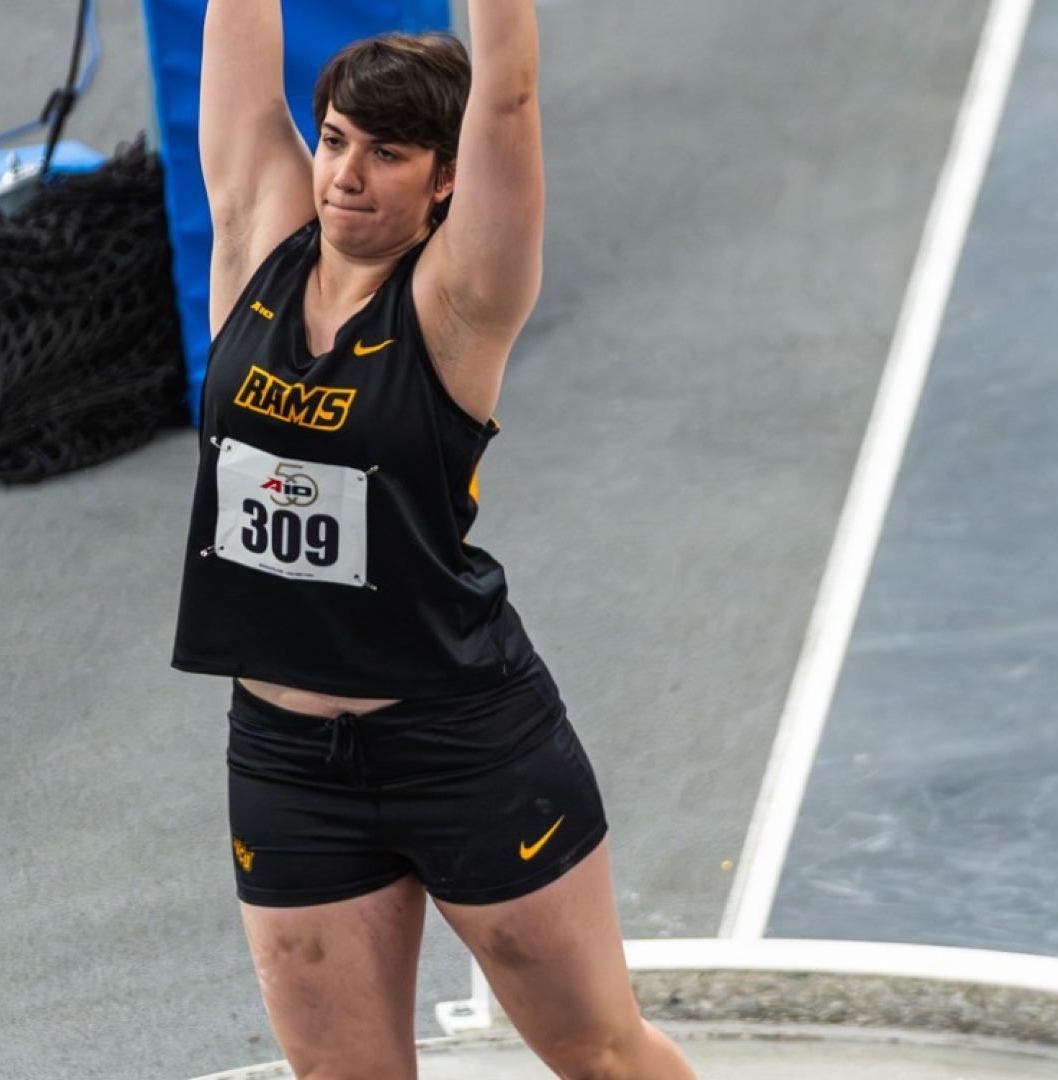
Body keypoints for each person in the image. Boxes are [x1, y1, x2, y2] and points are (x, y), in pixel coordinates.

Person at [171, 1, 698, 1077]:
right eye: (333, 142)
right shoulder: (261, 238)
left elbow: (505, 86)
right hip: (288, 760)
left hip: (464, 745)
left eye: (389, 154)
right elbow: (234, 66)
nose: (345, 176)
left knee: (597, 1053)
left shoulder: (461, 298)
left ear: (447, 178)